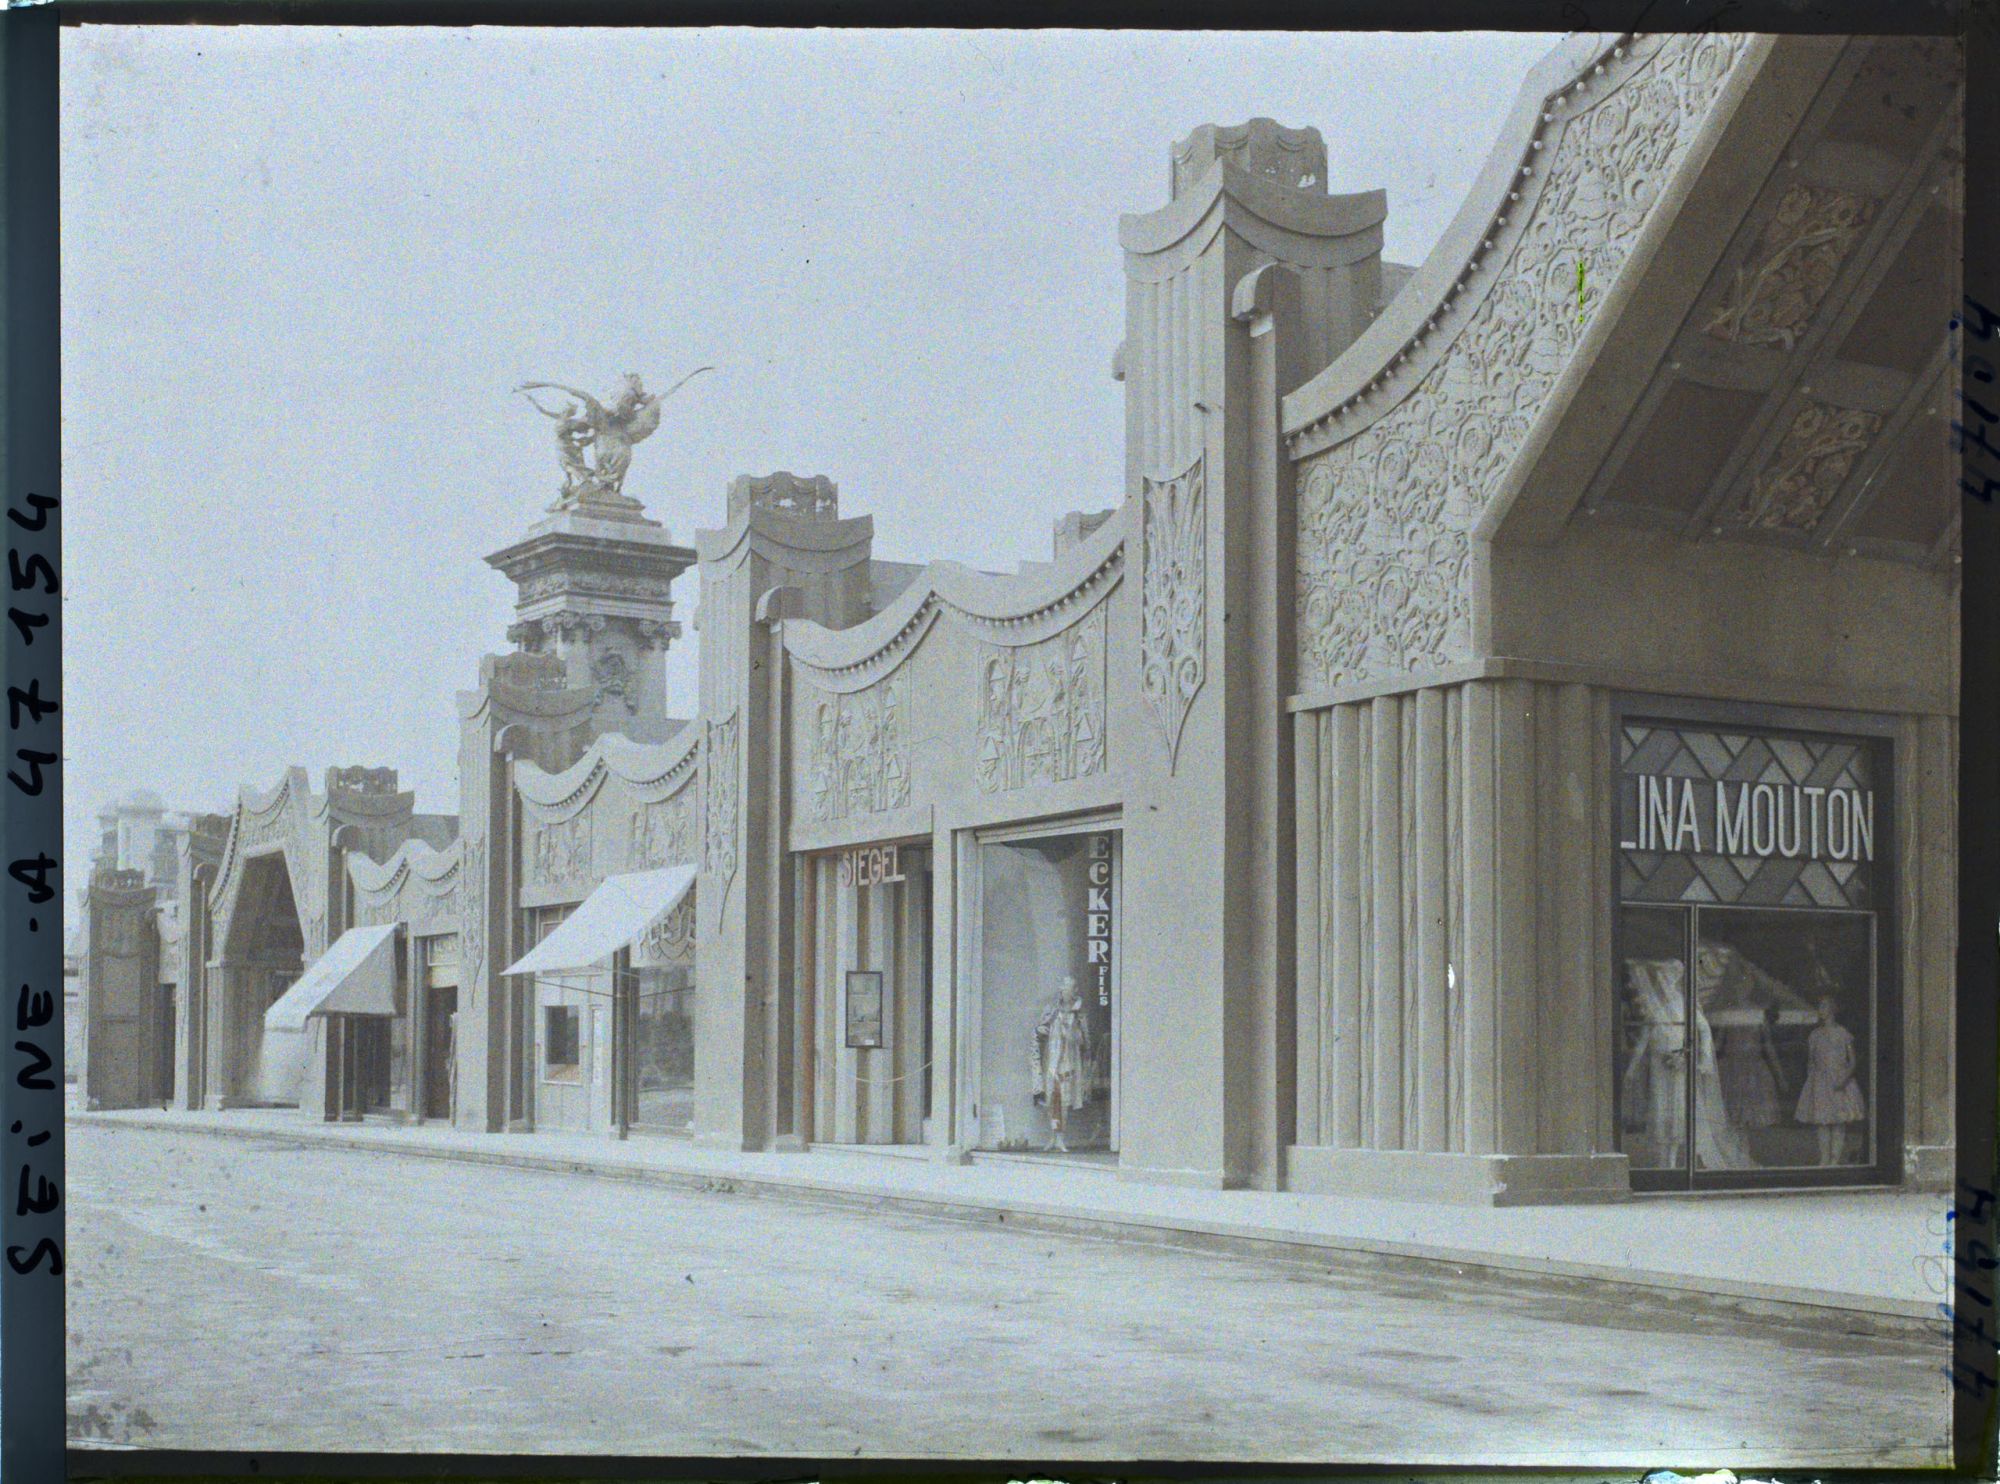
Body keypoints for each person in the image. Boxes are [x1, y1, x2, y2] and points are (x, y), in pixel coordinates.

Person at [1795, 993, 1866, 1166]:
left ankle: (1835, 1159)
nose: (1821, 1010)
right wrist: (1811, 1080)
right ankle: (1824, 1157)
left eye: (1824, 1006)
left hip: (1839, 1080)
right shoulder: (1815, 1035)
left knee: (1839, 1121)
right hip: (1820, 1081)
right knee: (1822, 1121)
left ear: (1833, 1009)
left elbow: (1852, 1061)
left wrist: (1844, 1078)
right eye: (1820, 1006)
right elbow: (1811, 1060)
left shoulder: (1842, 1033)